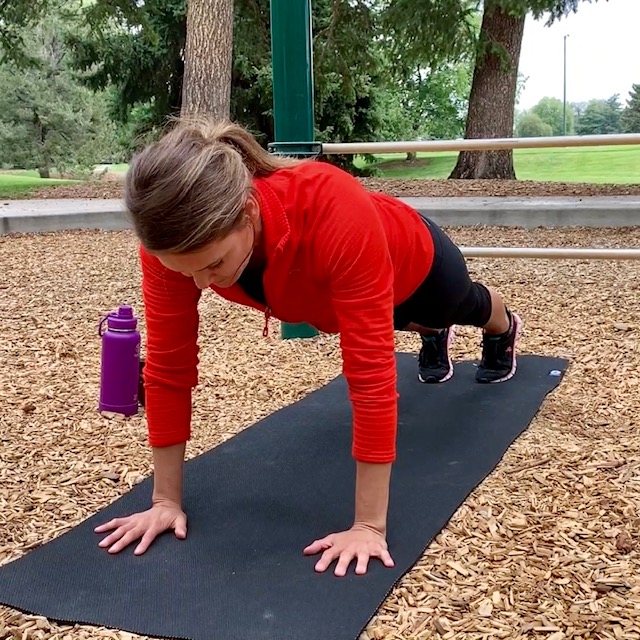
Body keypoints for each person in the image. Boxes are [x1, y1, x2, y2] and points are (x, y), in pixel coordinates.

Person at [94, 116, 521, 577]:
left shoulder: (332, 207)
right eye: (185, 271)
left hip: (416, 261)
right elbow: (168, 367)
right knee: (405, 323)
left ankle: (503, 325)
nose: (199, 282)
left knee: (459, 308)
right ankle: (428, 333)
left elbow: (372, 377)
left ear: (248, 214)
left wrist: (368, 527)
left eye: (213, 264)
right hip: (347, 293)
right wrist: (164, 500)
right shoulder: (172, 248)